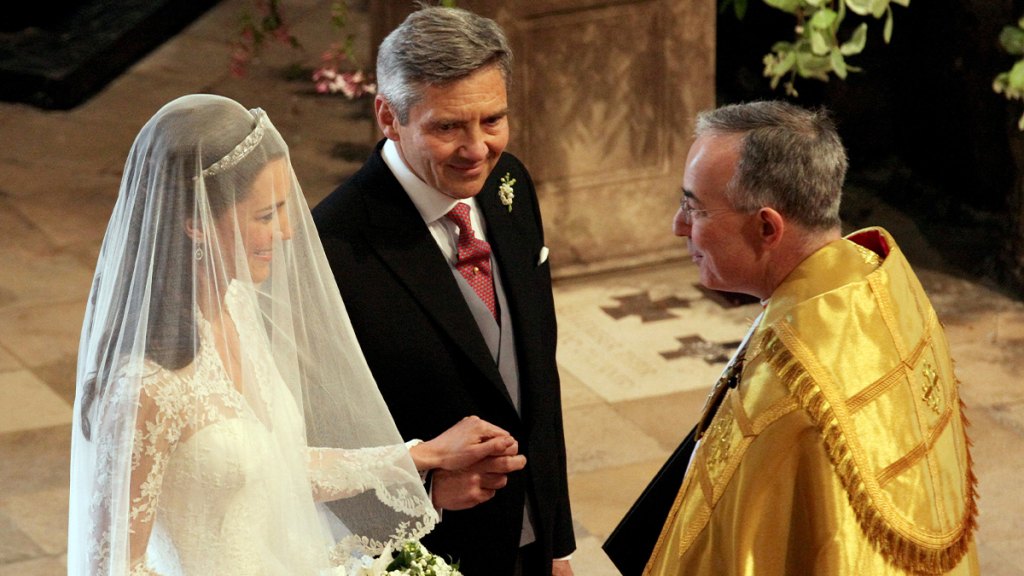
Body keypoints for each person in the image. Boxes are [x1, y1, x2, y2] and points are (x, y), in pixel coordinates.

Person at [67, 93, 518, 575]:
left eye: (285, 209)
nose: (286, 232)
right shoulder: (143, 389)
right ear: (195, 223)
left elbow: (278, 464)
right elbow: (112, 565)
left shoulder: (237, 307)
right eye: (265, 215)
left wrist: (420, 455)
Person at [638, 101, 979, 575]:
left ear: (766, 227)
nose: (679, 227)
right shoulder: (877, 286)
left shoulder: (789, 398)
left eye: (694, 208)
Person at [312, 6, 575, 576]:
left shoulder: (511, 185)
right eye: (448, 126)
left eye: (493, 119)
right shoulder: (331, 248)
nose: (477, 148)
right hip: (430, 552)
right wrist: (425, 490)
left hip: (529, 543)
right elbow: (311, 442)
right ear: (388, 115)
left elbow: (536, 380)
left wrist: (555, 543)